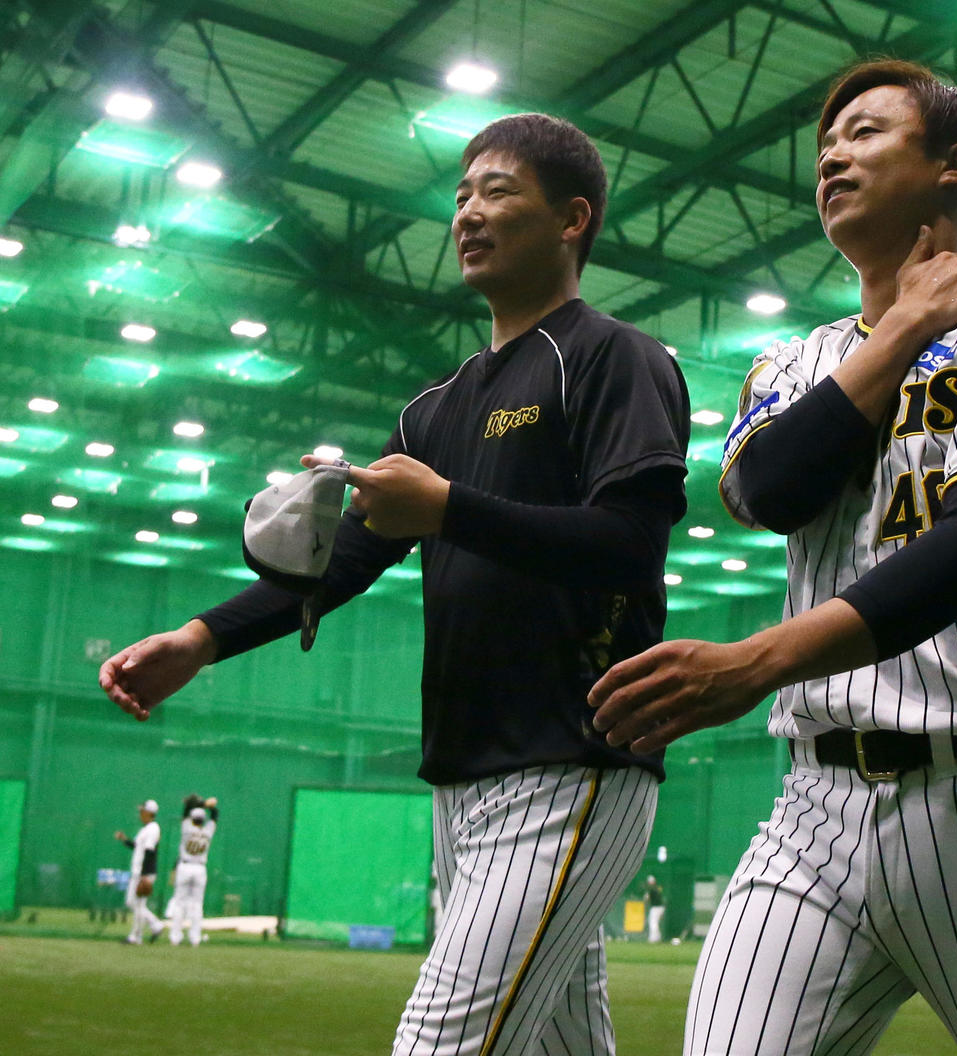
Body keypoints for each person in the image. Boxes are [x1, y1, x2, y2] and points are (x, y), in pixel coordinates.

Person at [100, 112, 690, 1055]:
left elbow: (628, 544)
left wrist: (450, 509)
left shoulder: (614, 358)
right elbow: (342, 566)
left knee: (439, 1043)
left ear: (573, 218)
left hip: (575, 758)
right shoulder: (431, 413)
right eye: (460, 196)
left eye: (497, 191)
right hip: (461, 778)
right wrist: (200, 639)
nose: (468, 213)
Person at [590, 59, 957, 1054]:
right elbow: (772, 488)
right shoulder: (792, 361)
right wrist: (908, 325)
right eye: (825, 145)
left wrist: (759, 659)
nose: (833, 154)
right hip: (815, 809)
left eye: (868, 132)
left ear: (950, 165)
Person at [113, 798, 164, 945]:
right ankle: (156, 925)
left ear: (149, 812)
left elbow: (149, 852)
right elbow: (137, 846)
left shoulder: (153, 828)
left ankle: (135, 937)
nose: (140, 813)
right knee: (132, 902)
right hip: (139, 872)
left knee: (138, 905)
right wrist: (124, 839)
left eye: (142, 811)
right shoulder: (145, 829)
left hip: (144, 873)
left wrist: (144, 876)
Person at [169, 796, 219, 947]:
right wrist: (208, 805)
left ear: (192, 819)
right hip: (200, 868)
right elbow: (215, 815)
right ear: (203, 820)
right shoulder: (208, 831)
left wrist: (200, 803)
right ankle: (195, 938)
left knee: (179, 903)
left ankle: (175, 938)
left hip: (185, 866)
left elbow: (186, 811)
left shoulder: (187, 829)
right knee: (197, 904)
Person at [643, 874, 665, 944]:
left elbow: (647, 898)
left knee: (653, 923)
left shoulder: (651, 889)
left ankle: (653, 938)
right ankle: (658, 937)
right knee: (654, 922)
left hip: (656, 908)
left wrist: (646, 897)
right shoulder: (657, 888)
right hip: (660, 908)